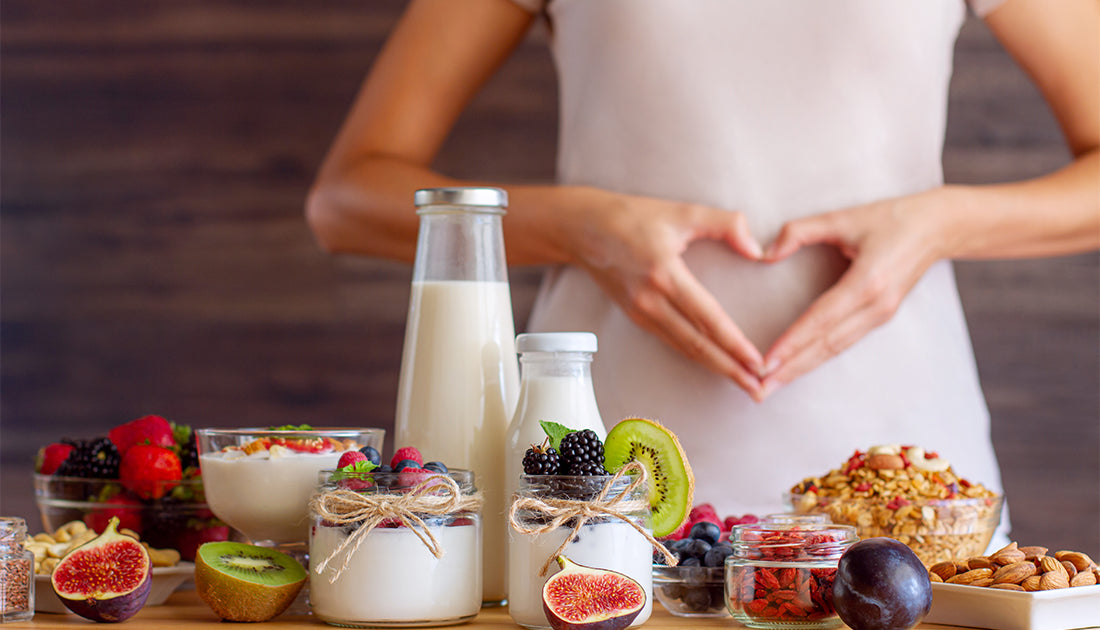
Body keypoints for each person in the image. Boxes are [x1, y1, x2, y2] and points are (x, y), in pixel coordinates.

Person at [305, 0, 1098, 526]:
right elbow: (348, 195)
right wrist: (583, 224)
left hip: (912, 487)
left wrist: (939, 220)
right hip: (600, 482)